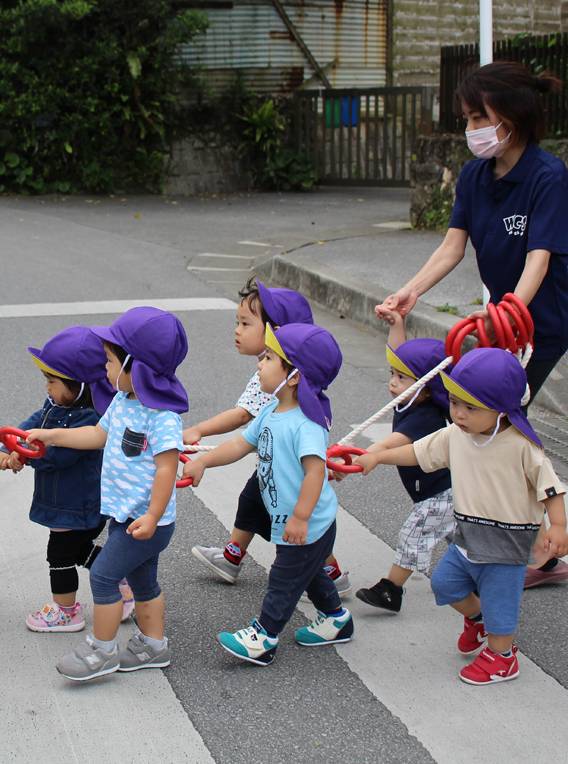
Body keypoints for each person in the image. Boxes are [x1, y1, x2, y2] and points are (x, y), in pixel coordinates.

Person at [376, 61, 568, 588]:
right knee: (489, 425)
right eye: (466, 117)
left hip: (540, 326)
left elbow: (539, 259)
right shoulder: (475, 176)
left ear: (512, 115)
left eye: (479, 115)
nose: (471, 128)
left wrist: (507, 313)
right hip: (498, 326)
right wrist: (409, 292)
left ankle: (534, 542)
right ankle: (515, 538)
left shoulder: (548, 175)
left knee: (505, 428)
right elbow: (452, 246)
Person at [355, 348, 568, 685]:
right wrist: (376, 458)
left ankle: (502, 658)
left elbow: (550, 489)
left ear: (501, 408)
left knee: (501, 602)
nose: (459, 413)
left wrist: (558, 525)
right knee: (445, 584)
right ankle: (478, 620)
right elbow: (418, 451)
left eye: (471, 407)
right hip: (468, 533)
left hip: (506, 540)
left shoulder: (523, 446)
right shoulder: (456, 435)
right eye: (454, 402)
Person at [25, 307, 188, 680]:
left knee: (101, 576)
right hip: (126, 516)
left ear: (138, 366)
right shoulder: (122, 401)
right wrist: (51, 435)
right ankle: (153, 645)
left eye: (111, 362)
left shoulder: (161, 415)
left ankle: (101, 651)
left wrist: (152, 516)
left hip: (147, 520)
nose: (105, 369)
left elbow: (167, 468)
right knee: (145, 583)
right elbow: (97, 436)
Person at [183, 323, 353, 666]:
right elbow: (238, 445)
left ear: (293, 376)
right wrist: (204, 462)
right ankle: (336, 619)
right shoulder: (270, 411)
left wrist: (301, 517)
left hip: (308, 522)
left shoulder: (306, 423)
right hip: (293, 519)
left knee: (284, 577)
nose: (260, 364)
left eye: (269, 357)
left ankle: (264, 635)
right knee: (311, 573)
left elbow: (316, 472)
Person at [187, 278, 351, 598]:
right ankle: (232, 556)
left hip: (287, 465)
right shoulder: (272, 370)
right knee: (253, 501)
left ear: (275, 331)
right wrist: (204, 458)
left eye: (246, 323)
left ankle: (329, 575)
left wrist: (199, 431)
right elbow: (244, 435)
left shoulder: (279, 378)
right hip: (273, 460)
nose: (237, 329)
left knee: (298, 525)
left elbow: (243, 415)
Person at [0, 326, 135, 631]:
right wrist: (9, 446)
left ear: (79, 386)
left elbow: (58, 455)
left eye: (52, 381)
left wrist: (22, 455)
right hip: (65, 502)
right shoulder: (57, 405)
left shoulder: (91, 418)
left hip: (79, 504)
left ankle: (66, 611)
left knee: (59, 554)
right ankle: (121, 586)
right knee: (77, 550)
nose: (47, 387)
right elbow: (31, 426)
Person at [349, 310, 454, 613]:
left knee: (415, 534)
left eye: (401, 377)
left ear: (428, 385)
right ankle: (481, 571)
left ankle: (391, 590)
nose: (393, 382)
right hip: (438, 490)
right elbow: (399, 355)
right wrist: (398, 324)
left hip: (441, 493)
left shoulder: (426, 416)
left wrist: (371, 454)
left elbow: (394, 443)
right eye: (392, 374)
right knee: (465, 540)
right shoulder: (410, 399)